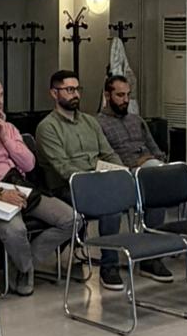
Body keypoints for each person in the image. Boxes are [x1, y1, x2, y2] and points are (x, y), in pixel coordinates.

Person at [0, 74, 77, 297]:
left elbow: (29, 164)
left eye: (1, 95)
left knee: (71, 219)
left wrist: (5, 138)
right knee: (17, 230)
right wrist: (0, 193)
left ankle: (22, 265)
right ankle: (25, 270)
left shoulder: (8, 128)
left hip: (19, 186)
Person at [35, 69, 137, 292]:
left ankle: (146, 256)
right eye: (69, 90)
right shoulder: (47, 127)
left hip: (97, 181)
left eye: (77, 89)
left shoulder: (90, 122)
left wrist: (122, 172)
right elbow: (63, 168)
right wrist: (95, 179)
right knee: (111, 206)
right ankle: (109, 267)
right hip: (68, 187)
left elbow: (108, 153)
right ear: (54, 93)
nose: (76, 95)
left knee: (136, 190)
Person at [95, 74, 187, 284]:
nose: (125, 100)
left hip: (150, 171)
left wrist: (154, 160)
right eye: (120, 95)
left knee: (177, 184)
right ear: (107, 95)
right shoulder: (98, 124)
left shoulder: (136, 120)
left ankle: (151, 258)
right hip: (121, 175)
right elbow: (105, 158)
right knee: (113, 206)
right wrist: (136, 164)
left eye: (128, 95)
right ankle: (109, 265)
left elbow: (157, 150)